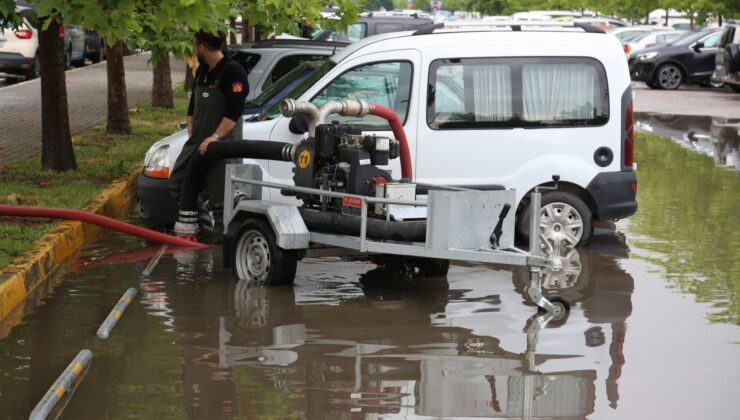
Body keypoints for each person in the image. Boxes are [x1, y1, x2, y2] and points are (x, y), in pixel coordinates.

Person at [170, 30, 248, 237]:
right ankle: (200, 227)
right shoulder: (203, 71)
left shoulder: (233, 71)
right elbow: (193, 103)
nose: (194, 49)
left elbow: (234, 112)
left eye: (195, 45)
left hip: (221, 144)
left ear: (202, 47)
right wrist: (190, 125)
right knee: (178, 180)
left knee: (221, 197)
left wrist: (215, 137)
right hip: (197, 141)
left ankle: (221, 241)